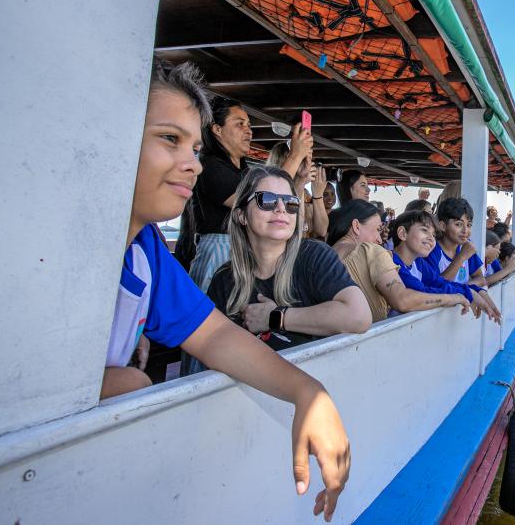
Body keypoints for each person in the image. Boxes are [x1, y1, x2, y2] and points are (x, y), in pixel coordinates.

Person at [106, 61, 349, 520]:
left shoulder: (146, 249)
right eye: (169, 139)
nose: (192, 163)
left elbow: (214, 335)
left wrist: (307, 392)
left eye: (195, 148)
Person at [201, 165, 371, 358]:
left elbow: (359, 317)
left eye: (291, 203)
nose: (281, 208)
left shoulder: (313, 256)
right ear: (241, 215)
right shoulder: (225, 279)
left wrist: (275, 317)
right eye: (267, 200)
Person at [188, 96, 313, 294]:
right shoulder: (209, 166)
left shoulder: (244, 171)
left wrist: (299, 180)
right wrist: (295, 155)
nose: (249, 130)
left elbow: (282, 200)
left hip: (245, 250)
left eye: (249, 124)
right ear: (217, 129)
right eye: (240, 124)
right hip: (220, 251)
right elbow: (261, 199)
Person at [327, 201, 470, 322]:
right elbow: (402, 300)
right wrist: (452, 298)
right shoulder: (371, 251)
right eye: (377, 229)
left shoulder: (326, 254)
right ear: (356, 226)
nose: (379, 239)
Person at [389, 210, 494, 319]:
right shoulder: (393, 262)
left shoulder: (418, 262)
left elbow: (439, 282)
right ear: (402, 233)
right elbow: (422, 291)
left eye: (433, 235)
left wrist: (473, 290)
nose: (431, 239)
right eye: (424, 230)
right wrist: (463, 293)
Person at [429, 197, 502, 322]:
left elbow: (480, 279)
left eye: (469, 225)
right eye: (458, 224)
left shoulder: (466, 247)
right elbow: (438, 284)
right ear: (442, 225)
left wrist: (465, 289)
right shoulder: (433, 250)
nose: (465, 231)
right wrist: (461, 257)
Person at [266, 141, 328, 239]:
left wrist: (318, 194)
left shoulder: (305, 193)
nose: (307, 165)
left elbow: (322, 230)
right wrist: (301, 181)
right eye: (301, 161)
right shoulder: (270, 191)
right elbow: (298, 230)